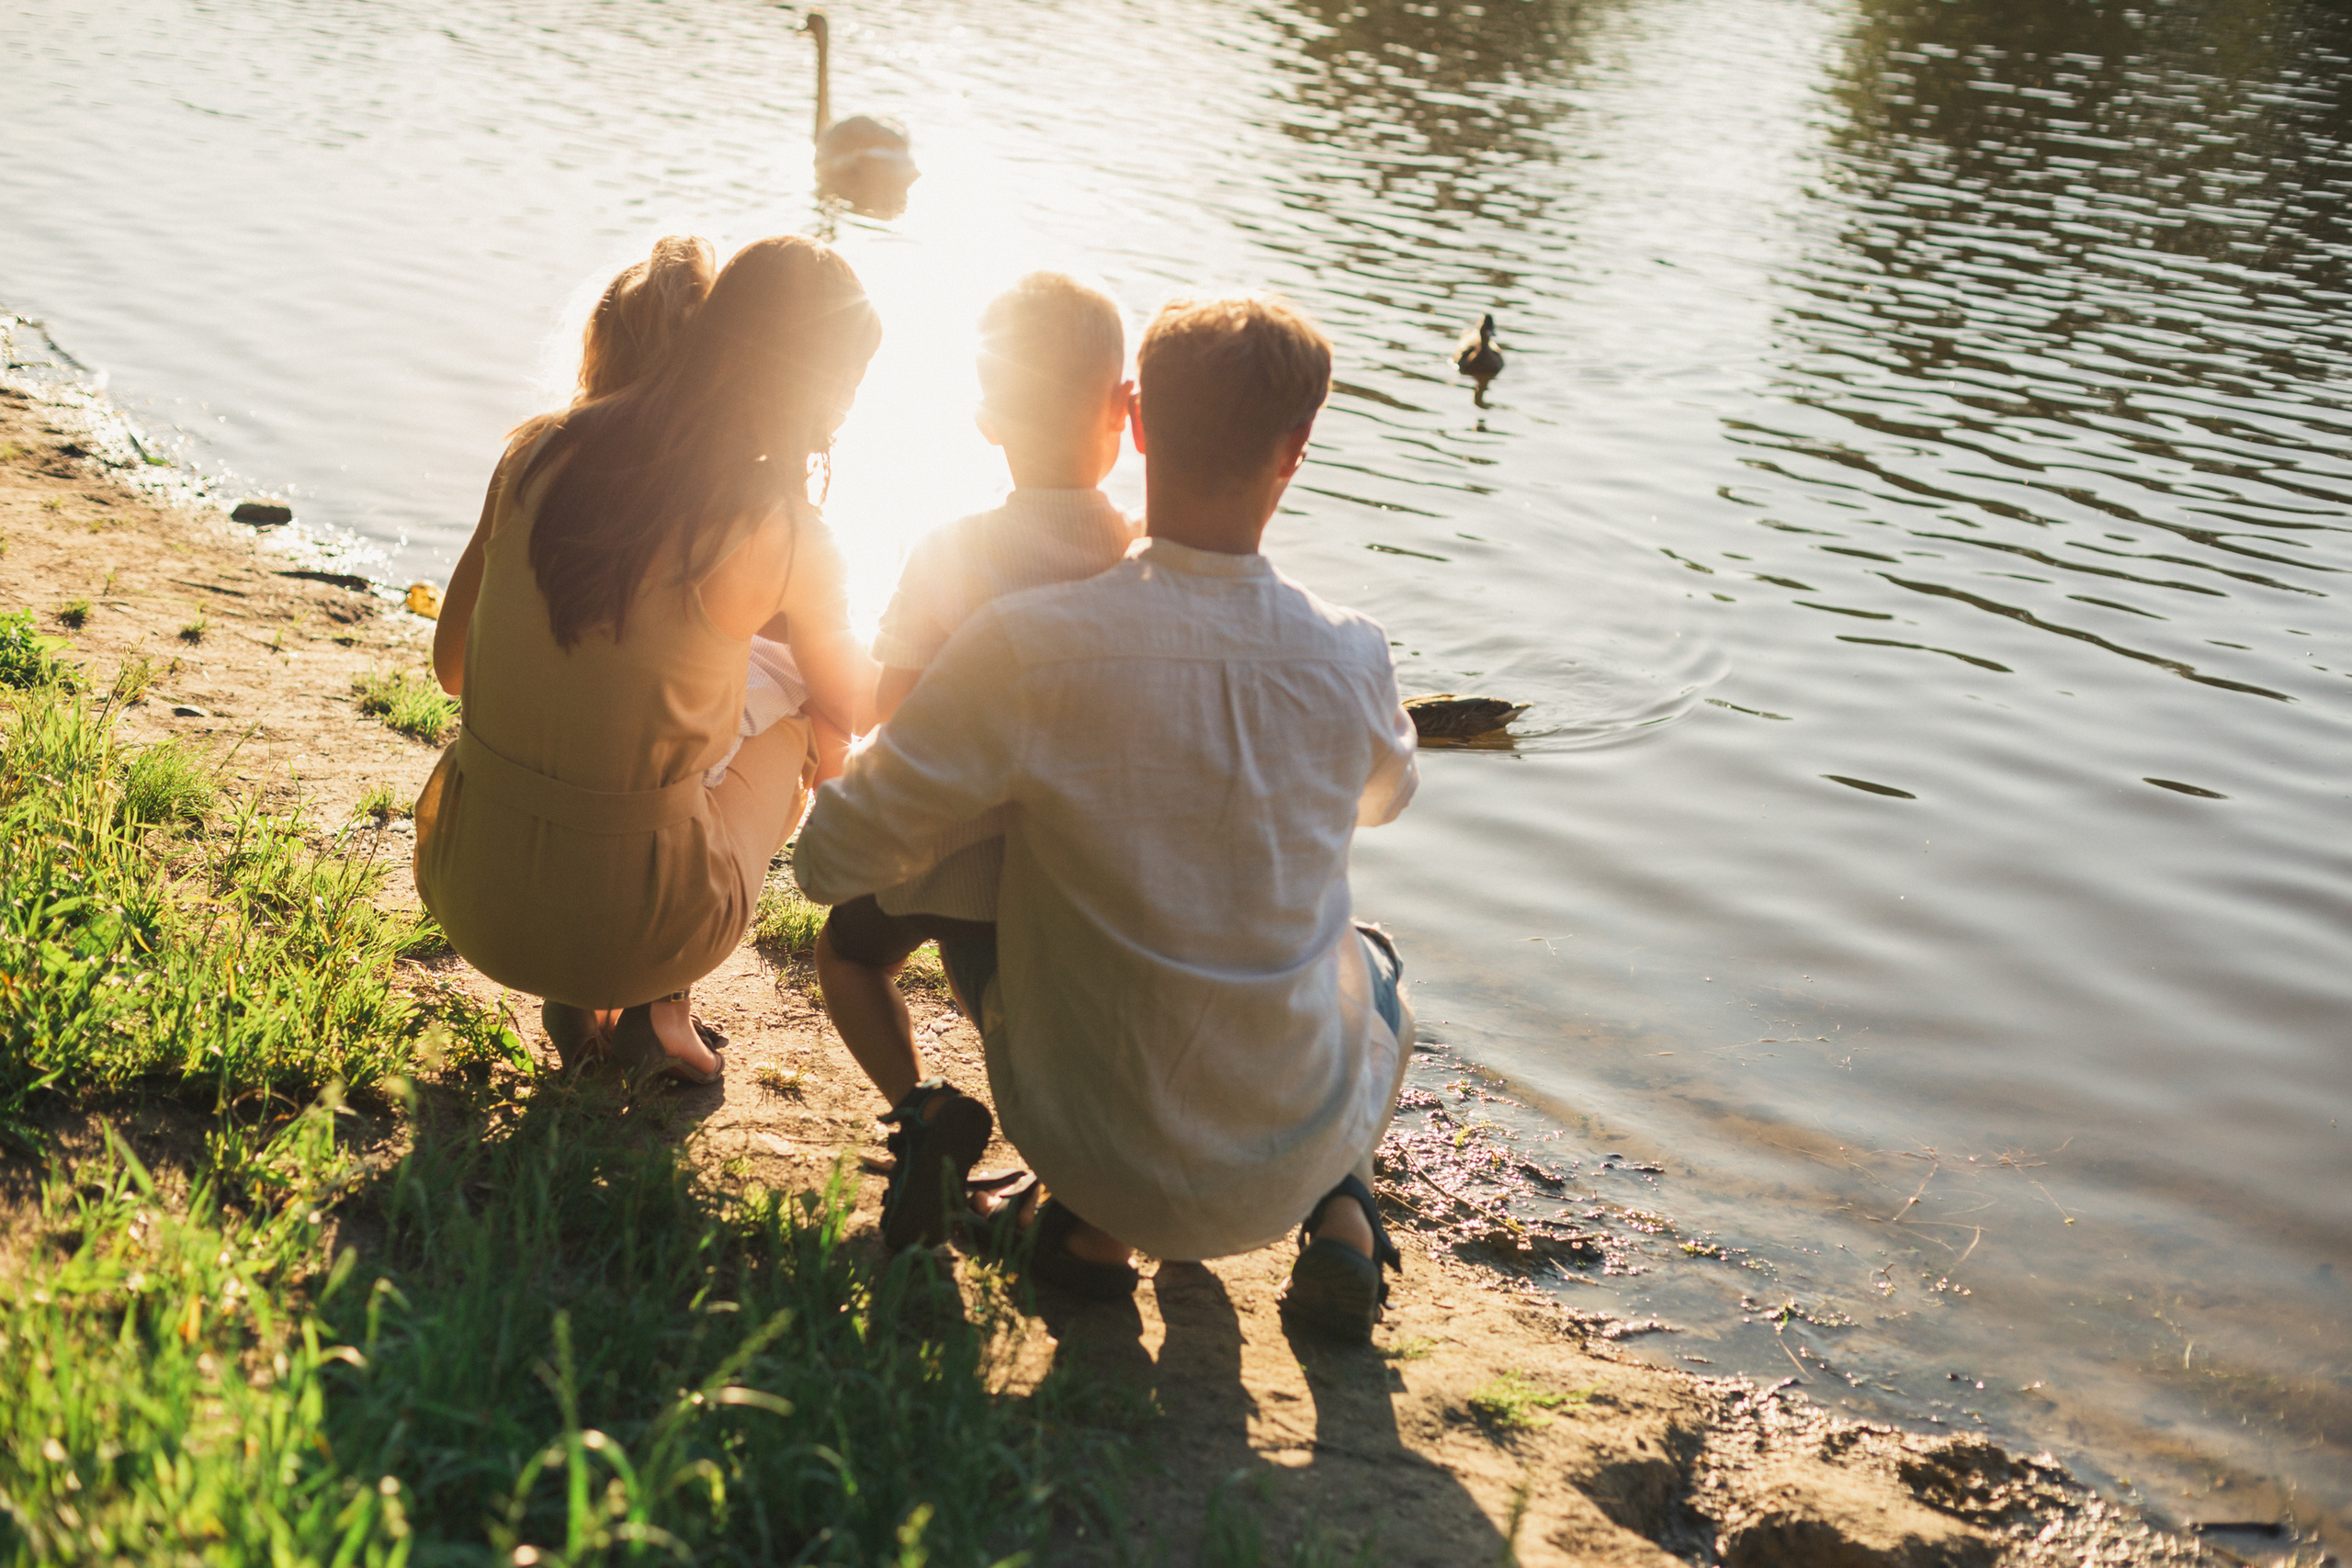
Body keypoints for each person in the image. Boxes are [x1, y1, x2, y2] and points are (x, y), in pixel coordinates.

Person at [793, 291, 1421, 1340]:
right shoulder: (1350, 653)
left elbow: (826, 860)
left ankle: (1089, 1232)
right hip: (1272, 1180)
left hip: (1082, 1140)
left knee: (1075, 932)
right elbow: (1384, 799)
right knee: (1375, 963)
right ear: (1295, 453)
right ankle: (1346, 1211)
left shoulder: (1025, 645)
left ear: (1134, 420)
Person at [417, 235, 879, 1089]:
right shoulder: (782, 530)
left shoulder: (538, 448)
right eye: (848, 383)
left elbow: (451, 667)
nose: (849, 408)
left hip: (470, 883)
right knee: (805, 720)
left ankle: (594, 992)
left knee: (686, 696)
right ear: (812, 380)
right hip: (637, 919)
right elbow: (854, 707)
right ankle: (658, 1004)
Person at [809, 272, 1139, 1246]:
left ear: (987, 420)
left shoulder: (952, 547)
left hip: (941, 853)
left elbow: (893, 710)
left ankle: (919, 1109)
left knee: (846, 952)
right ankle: (1060, 1168)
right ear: (1122, 413)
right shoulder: (1140, 557)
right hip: (1067, 867)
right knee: (1018, 1025)